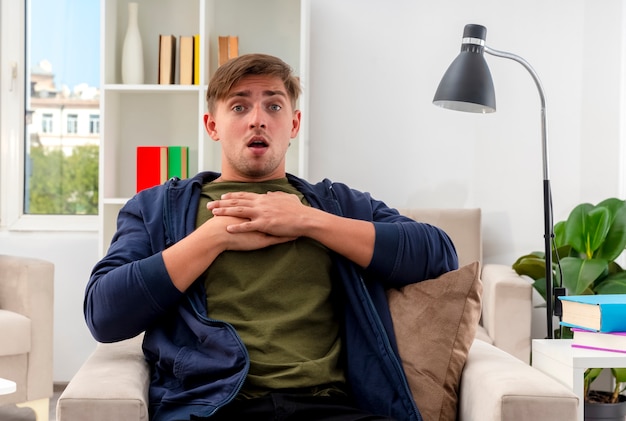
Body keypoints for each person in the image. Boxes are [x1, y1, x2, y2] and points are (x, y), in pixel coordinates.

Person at [84, 53, 458, 421]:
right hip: (214, 406)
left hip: (331, 407)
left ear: (294, 124)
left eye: (274, 107)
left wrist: (309, 221)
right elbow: (104, 314)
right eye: (239, 107)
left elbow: (439, 254)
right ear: (212, 125)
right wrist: (213, 237)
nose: (258, 120)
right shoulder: (156, 209)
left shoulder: (338, 205)